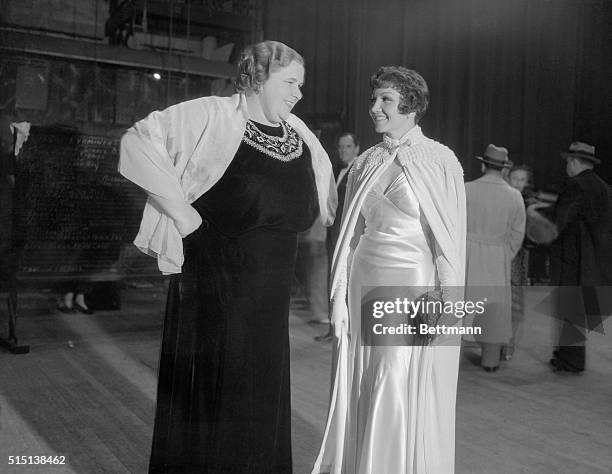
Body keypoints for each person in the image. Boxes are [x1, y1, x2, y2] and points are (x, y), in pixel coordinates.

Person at [119, 40, 337, 473]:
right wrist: (182, 214)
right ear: (258, 76)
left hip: (269, 296)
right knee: (222, 382)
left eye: (301, 85)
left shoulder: (298, 132)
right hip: (217, 283)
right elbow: (138, 140)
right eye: (290, 82)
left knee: (261, 385)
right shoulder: (212, 114)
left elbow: (323, 192)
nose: (298, 94)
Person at [312, 67, 466, 474]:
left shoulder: (440, 160)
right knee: (366, 374)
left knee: (392, 374)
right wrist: (340, 296)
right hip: (365, 275)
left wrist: (449, 303)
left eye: (385, 100)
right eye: (374, 99)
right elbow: (349, 235)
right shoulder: (365, 162)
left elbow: (448, 240)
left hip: (412, 281)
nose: (374, 108)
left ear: (410, 105)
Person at [532, 141, 612, 373]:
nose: (567, 166)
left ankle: (571, 361)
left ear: (574, 162)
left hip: (574, 259)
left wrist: (535, 213)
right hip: (595, 258)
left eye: (568, 161)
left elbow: (560, 220)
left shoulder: (576, 185)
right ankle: (569, 356)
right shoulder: (604, 188)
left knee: (570, 309)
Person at [464, 145, 526, 371]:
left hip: (468, 253)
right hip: (497, 255)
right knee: (493, 305)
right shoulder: (514, 196)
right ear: (504, 169)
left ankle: (449, 360)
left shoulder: (466, 189)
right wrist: (505, 254)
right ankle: (490, 361)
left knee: (464, 302)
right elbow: (518, 232)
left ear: (483, 164)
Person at [315, 132, 360, 342]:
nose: (343, 150)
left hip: (347, 236)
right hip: (333, 234)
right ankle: (334, 329)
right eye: (341, 147)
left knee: (345, 280)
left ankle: (346, 329)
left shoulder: (358, 171)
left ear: (357, 149)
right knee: (333, 279)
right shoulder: (337, 170)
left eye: (348, 146)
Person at [503, 165, 537, 360]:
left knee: (515, 302)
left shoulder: (529, 203)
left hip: (518, 257)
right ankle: (494, 344)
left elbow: (534, 238)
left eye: (522, 180)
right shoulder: (503, 197)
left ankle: (508, 345)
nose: (519, 183)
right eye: (515, 178)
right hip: (500, 254)